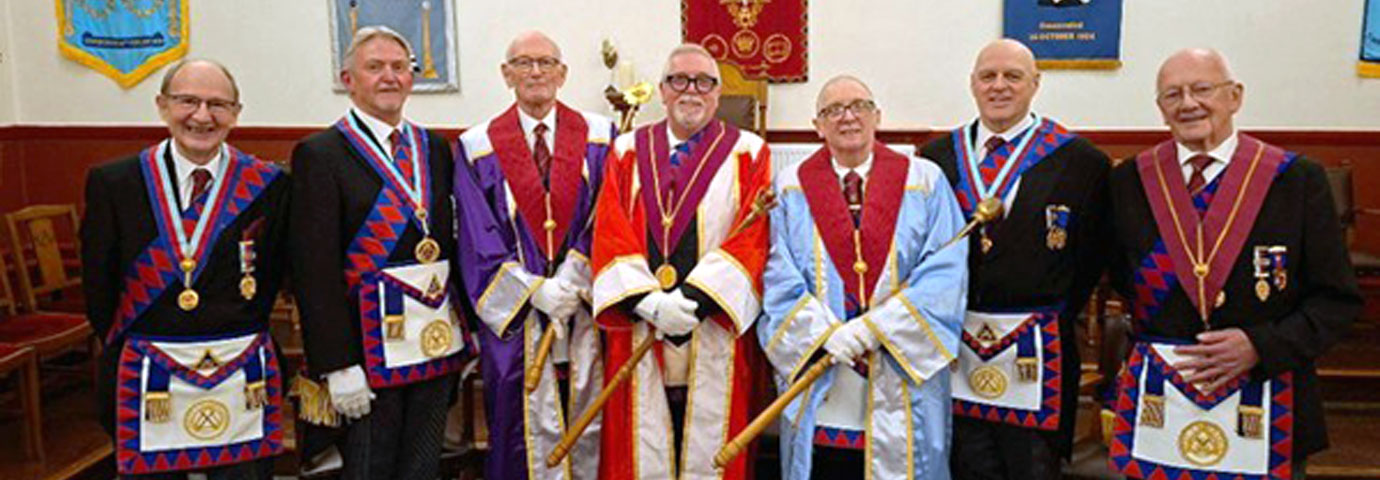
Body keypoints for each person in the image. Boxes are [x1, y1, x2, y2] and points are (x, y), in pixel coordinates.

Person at [1104, 48, 1361, 480]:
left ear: (1235, 96)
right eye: (1173, 95)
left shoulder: (1295, 180)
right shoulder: (1130, 179)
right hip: (1161, 402)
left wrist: (1261, 345)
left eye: (1202, 89)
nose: (1188, 103)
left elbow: (1336, 301)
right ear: (1160, 108)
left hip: (1267, 398)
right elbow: (1122, 278)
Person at [81, 58, 290, 478]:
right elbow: (99, 288)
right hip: (148, 373)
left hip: (238, 372)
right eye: (188, 101)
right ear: (162, 106)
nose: (202, 116)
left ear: (236, 113)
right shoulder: (114, 182)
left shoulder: (270, 184)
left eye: (218, 104)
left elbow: (272, 276)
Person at [919, 38, 1111, 480]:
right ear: (973, 84)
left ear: (1035, 83)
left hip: (1038, 352)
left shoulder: (1081, 162)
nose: (999, 86)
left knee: (1032, 468)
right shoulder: (936, 159)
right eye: (988, 76)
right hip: (954, 347)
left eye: (1013, 76)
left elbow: (1090, 259)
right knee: (963, 465)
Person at [760, 74, 967, 479]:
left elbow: (945, 273)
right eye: (833, 110)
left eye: (859, 106)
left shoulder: (924, 180)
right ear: (818, 126)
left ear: (877, 116)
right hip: (825, 366)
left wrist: (874, 329)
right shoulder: (790, 187)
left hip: (899, 367)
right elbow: (777, 275)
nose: (848, 117)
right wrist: (825, 335)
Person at [290, 26, 464, 480]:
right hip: (364, 353)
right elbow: (313, 269)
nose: (389, 76)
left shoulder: (433, 147)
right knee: (370, 468)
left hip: (432, 342)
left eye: (399, 67)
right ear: (348, 79)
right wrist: (337, 364)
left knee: (423, 466)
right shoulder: (320, 153)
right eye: (375, 67)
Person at [589, 43, 771, 480]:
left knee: (713, 446)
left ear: (718, 93)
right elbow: (610, 228)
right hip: (641, 321)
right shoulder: (627, 150)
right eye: (679, 80)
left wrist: (693, 301)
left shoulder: (749, 151)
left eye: (704, 82)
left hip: (713, 324)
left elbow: (754, 237)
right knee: (640, 441)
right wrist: (648, 303)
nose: (692, 90)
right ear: (662, 90)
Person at [453, 30, 616, 479]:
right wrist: (533, 291)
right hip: (517, 315)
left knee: (593, 415)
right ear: (506, 74)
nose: (536, 72)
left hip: (584, 308)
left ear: (563, 73)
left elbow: (611, 215)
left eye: (546, 62)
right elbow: (476, 235)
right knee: (516, 423)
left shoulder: (601, 136)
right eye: (523, 63)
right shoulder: (477, 145)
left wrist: (573, 279)